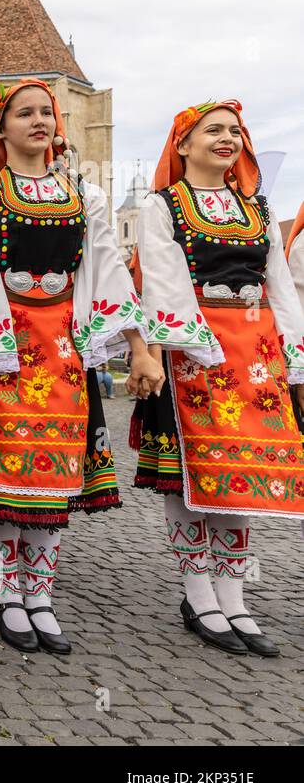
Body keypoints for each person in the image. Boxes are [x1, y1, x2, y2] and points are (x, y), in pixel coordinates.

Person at [0, 79, 163, 654]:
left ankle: (39, 591)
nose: (39, 121)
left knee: (52, 471)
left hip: (63, 348)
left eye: (47, 112)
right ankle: (4, 590)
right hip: (4, 345)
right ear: (3, 126)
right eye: (25, 113)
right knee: (4, 468)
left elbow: (109, 270)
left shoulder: (82, 196)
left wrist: (138, 345)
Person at [134, 99, 304, 657]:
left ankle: (233, 597)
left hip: (256, 351)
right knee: (192, 477)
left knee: (240, 476)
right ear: (183, 144)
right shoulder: (164, 206)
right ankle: (198, 593)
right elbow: (162, 277)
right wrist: (177, 347)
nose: (228, 138)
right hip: (196, 352)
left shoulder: (256, 206)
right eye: (214, 130)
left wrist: (296, 356)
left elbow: (279, 284)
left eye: (236, 131)